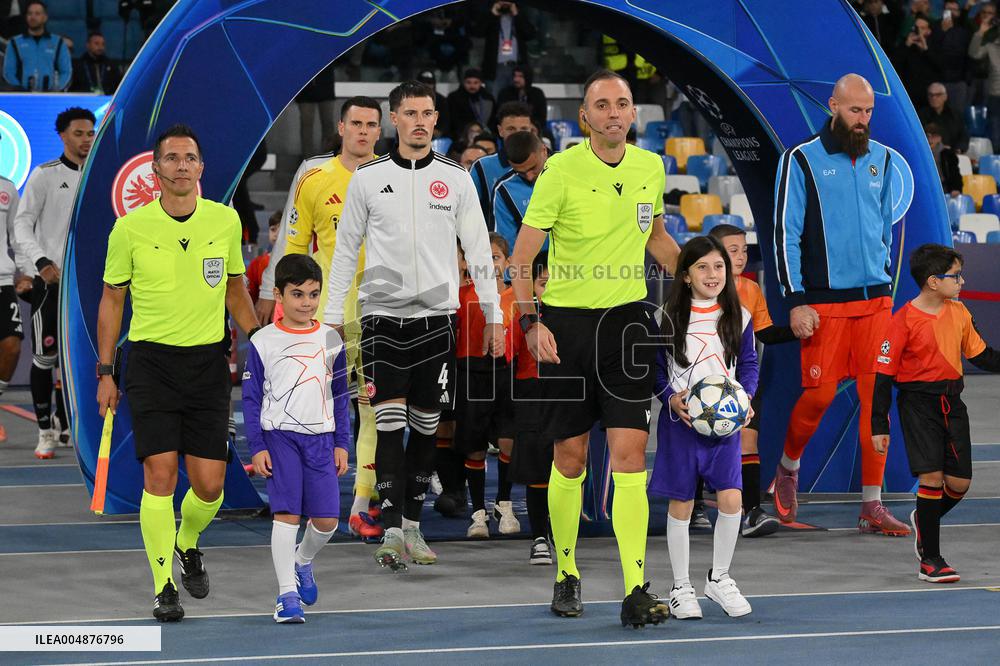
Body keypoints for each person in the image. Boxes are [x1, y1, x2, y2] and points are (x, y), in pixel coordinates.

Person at [508, 69, 680, 626]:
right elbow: (523, 257)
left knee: (631, 459)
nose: (613, 113)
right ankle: (566, 572)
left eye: (622, 104)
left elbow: (656, 238)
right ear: (585, 116)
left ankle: (635, 588)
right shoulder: (559, 171)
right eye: (601, 105)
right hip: (567, 328)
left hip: (629, 327)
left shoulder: (651, 167)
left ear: (634, 115)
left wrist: (705, 280)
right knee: (571, 458)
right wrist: (532, 322)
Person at [325, 80, 503, 571]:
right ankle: (388, 530)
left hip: (436, 322)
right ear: (394, 119)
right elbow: (343, 254)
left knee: (425, 428)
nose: (420, 121)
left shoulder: (456, 178)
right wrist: (330, 320)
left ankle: (413, 529)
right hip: (381, 319)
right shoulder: (368, 178)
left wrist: (495, 314)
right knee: (387, 425)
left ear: (434, 121)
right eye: (411, 113)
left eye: (428, 113)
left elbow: (478, 251)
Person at [96, 124, 259, 622]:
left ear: (201, 167)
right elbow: (112, 301)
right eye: (172, 158)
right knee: (160, 476)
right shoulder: (129, 229)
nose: (182, 165)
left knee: (210, 486)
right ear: (156, 169)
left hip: (208, 366)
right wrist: (106, 370)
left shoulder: (225, 221)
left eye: (190, 157)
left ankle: (188, 541)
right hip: (150, 366)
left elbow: (234, 289)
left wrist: (265, 341)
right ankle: (163, 585)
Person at [772, 73, 910, 536]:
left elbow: (884, 228)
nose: (862, 120)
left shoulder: (886, 161)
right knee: (820, 395)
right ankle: (789, 468)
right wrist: (795, 302)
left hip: (876, 304)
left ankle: (872, 505)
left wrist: (885, 284)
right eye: (854, 110)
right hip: (824, 305)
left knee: (877, 404)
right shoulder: (801, 160)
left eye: (868, 112)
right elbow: (785, 235)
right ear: (833, 105)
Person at [285, 96, 383, 542]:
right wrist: (290, 309)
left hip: (381, 313)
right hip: (325, 316)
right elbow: (294, 250)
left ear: (381, 131)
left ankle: (362, 506)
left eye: (372, 125)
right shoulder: (314, 178)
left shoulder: (394, 178)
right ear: (341, 127)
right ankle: (309, 498)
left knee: (372, 410)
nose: (363, 131)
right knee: (316, 410)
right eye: (356, 123)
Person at [872, 244, 1000, 583]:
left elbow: (981, 354)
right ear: (932, 281)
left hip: (952, 405)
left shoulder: (958, 312)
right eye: (955, 276)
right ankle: (931, 559)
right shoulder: (903, 320)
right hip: (917, 405)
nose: (961, 281)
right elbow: (883, 375)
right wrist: (877, 423)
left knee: (959, 483)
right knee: (931, 479)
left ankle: (923, 520)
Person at [650, 236, 758, 619]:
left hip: (725, 425)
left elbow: (748, 365)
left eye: (718, 266)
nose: (712, 274)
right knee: (682, 502)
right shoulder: (667, 316)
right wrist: (669, 397)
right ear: (684, 276)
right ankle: (681, 586)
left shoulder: (739, 315)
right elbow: (656, 371)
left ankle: (720, 578)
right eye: (702, 267)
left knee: (732, 499)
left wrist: (746, 399)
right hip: (682, 424)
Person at [244, 254, 352, 623]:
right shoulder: (263, 341)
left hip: (321, 441)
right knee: (286, 515)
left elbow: (340, 394)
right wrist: (257, 445)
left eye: (313, 294)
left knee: (327, 522)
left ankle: (302, 562)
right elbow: (251, 397)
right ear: (278, 294)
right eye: (297, 294)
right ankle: (285, 596)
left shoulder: (331, 339)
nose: (306, 302)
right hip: (279, 439)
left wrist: (342, 442)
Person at [14, 107, 94, 459]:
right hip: (52, 285)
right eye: (79, 133)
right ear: (62, 135)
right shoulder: (44, 176)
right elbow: (21, 224)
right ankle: (46, 429)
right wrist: (40, 263)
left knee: (82, 358)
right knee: (46, 358)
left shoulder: (100, 175)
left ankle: (72, 425)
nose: (86, 139)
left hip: (89, 285)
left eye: (90, 133)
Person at [708, 224, 797, 537]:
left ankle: (752, 512)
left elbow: (765, 334)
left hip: (742, 379)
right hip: (704, 381)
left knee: (748, 440)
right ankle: (692, 506)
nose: (741, 256)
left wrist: (796, 331)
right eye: (733, 250)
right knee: (699, 445)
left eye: (744, 250)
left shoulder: (751, 290)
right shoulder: (702, 287)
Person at [454, 233, 518, 538]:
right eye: (484, 257)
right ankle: (478, 512)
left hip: (506, 374)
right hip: (471, 374)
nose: (490, 264)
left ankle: (504, 502)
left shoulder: (516, 297)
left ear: (506, 262)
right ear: (469, 263)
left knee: (508, 441)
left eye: (496, 257)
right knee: (474, 446)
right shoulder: (460, 294)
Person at [507, 253, 553, 564]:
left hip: (569, 396)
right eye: (544, 283)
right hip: (531, 395)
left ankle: (562, 535)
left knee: (567, 470)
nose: (550, 289)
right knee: (538, 472)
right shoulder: (524, 318)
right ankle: (539, 536)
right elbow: (508, 356)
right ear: (532, 286)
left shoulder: (580, 315)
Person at [0, 166, 32, 443]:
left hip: (3, 281)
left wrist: (25, 272)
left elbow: (17, 236)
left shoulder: (7, 189)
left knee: (12, 346)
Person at [470, 101, 534, 224]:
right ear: (500, 130)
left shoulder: (548, 162)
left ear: (531, 129)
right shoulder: (482, 167)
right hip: (495, 240)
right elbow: (467, 210)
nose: (518, 134)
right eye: (511, 129)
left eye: (524, 129)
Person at [492, 129, 547, 251]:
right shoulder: (504, 191)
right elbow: (506, 245)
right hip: (533, 264)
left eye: (533, 168)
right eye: (520, 172)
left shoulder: (568, 169)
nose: (529, 176)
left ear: (544, 151)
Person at [2, 1, 71, 91]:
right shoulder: (14, 43)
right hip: (23, 97)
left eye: (37, 13)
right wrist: (19, 89)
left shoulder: (58, 42)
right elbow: (8, 72)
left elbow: (65, 71)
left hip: (51, 97)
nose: (32, 17)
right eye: (30, 13)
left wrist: (56, 89)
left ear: (45, 17)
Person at [474, 1, 536, 94]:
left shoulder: (519, 17)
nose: (505, 3)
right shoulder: (491, 17)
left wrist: (516, 14)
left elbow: (530, 34)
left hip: (517, 68)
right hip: (496, 68)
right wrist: (493, 13)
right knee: (495, 102)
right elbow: (478, 32)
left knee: (517, 103)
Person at [968, 4, 1000, 151]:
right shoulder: (991, 46)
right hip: (996, 96)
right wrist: (980, 32)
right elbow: (974, 54)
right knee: (995, 135)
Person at [918, 83, 970, 153]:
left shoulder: (955, 115)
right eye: (931, 95)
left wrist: (956, 149)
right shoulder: (921, 115)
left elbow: (963, 137)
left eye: (938, 95)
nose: (934, 98)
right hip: (929, 153)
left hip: (951, 154)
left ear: (945, 96)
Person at [494, 63, 548, 130]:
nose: (516, 79)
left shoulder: (537, 93)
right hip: (511, 128)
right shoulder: (505, 93)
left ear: (527, 77)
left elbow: (541, 117)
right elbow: (501, 115)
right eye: (515, 76)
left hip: (533, 129)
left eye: (520, 76)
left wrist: (531, 126)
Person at [447, 69, 495, 143]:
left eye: (476, 83)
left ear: (481, 83)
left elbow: (493, 120)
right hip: (461, 138)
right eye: (468, 82)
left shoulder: (488, 98)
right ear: (463, 83)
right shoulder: (454, 98)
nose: (472, 86)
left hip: (485, 137)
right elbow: (453, 121)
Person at [245, 212, 281, 305]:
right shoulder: (257, 263)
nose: (276, 234)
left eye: (281, 230)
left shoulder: (296, 263)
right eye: (273, 229)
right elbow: (249, 295)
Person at [925, 122, 964, 195]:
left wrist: (955, 188)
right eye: (927, 136)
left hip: (944, 189)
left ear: (939, 138)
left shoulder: (947, 154)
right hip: (926, 188)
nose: (930, 139)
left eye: (933, 136)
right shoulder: (921, 154)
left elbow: (954, 173)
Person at [417, 70, 451, 139]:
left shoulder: (441, 100)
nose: (426, 85)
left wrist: (438, 131)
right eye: (423, 83)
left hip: (435, 137)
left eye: (429, 83)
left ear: (434, 84)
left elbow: (445, 122)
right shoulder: (409, 100)